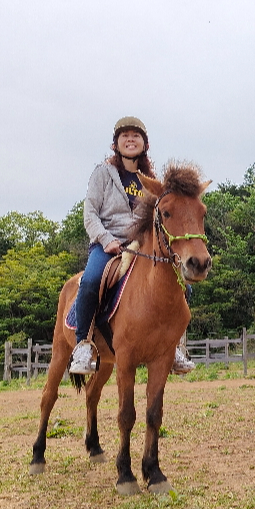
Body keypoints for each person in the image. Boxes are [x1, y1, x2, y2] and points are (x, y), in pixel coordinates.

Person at [69, 116, 196, 376]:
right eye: (124, 135)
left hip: (142, 245)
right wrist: (106, 240)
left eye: (135, 135)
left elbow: (163, 217)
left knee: (183, 286)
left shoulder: (152, 180)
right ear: (115, 143)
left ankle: (176, 347)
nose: (130, 139)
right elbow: (90, 214)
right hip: (107, 244)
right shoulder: (102, 173)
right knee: (92, 281)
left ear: (144, 144)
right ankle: (83, 344)